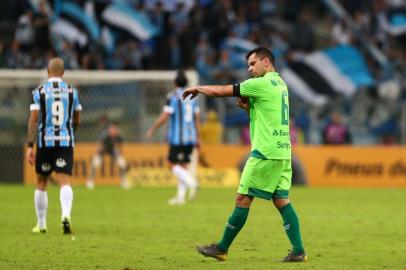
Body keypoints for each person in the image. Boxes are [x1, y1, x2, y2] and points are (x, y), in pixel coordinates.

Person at [182, 47, 307, 262]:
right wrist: (248, 110)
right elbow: (267, 116)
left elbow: (221, 91)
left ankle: (221, 248)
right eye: (248, 65)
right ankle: (298, 251)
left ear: (266, 62)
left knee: (242, 198)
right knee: (281, 199)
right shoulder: (280, 84)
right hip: (283, 151)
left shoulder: (260, 84)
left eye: (252, 63)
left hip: (264, 152)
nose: (249, 69)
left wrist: (199, 88)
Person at [26, 57, 82, 234]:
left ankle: (41, 224)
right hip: (65, 141)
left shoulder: (39, 91)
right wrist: (71, 131)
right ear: (63, 73)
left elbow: (34, 120)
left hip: (45, 142)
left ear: (47, 72)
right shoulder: (72, 92)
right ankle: (65, 215)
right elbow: (77, 118)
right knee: (64, 180)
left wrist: (30, 145)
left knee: (41, 182)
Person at [146, 70, 199, 205]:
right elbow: (197, 118)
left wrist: (152, 128)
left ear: (175, 82)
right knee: (183, 166)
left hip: (177, 138)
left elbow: (165, 115)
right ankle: (180, 197)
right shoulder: (193, 96)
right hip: (191, 136)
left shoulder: (173, 96)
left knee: (171, 164)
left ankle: (192, 183)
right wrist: (199, 137)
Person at [86, 122, 128, 190]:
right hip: (103, 150)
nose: (112, 131)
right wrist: (97, 153)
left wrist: (119, 154)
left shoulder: (118, 136)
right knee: (95, 163)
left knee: (122, 163)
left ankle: (123, 181)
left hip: (112, 150)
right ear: (109, 130)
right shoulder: (104, 135)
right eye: (111, 129)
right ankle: (90, 181)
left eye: (114, 129)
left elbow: (120, 146)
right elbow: (99, 145)